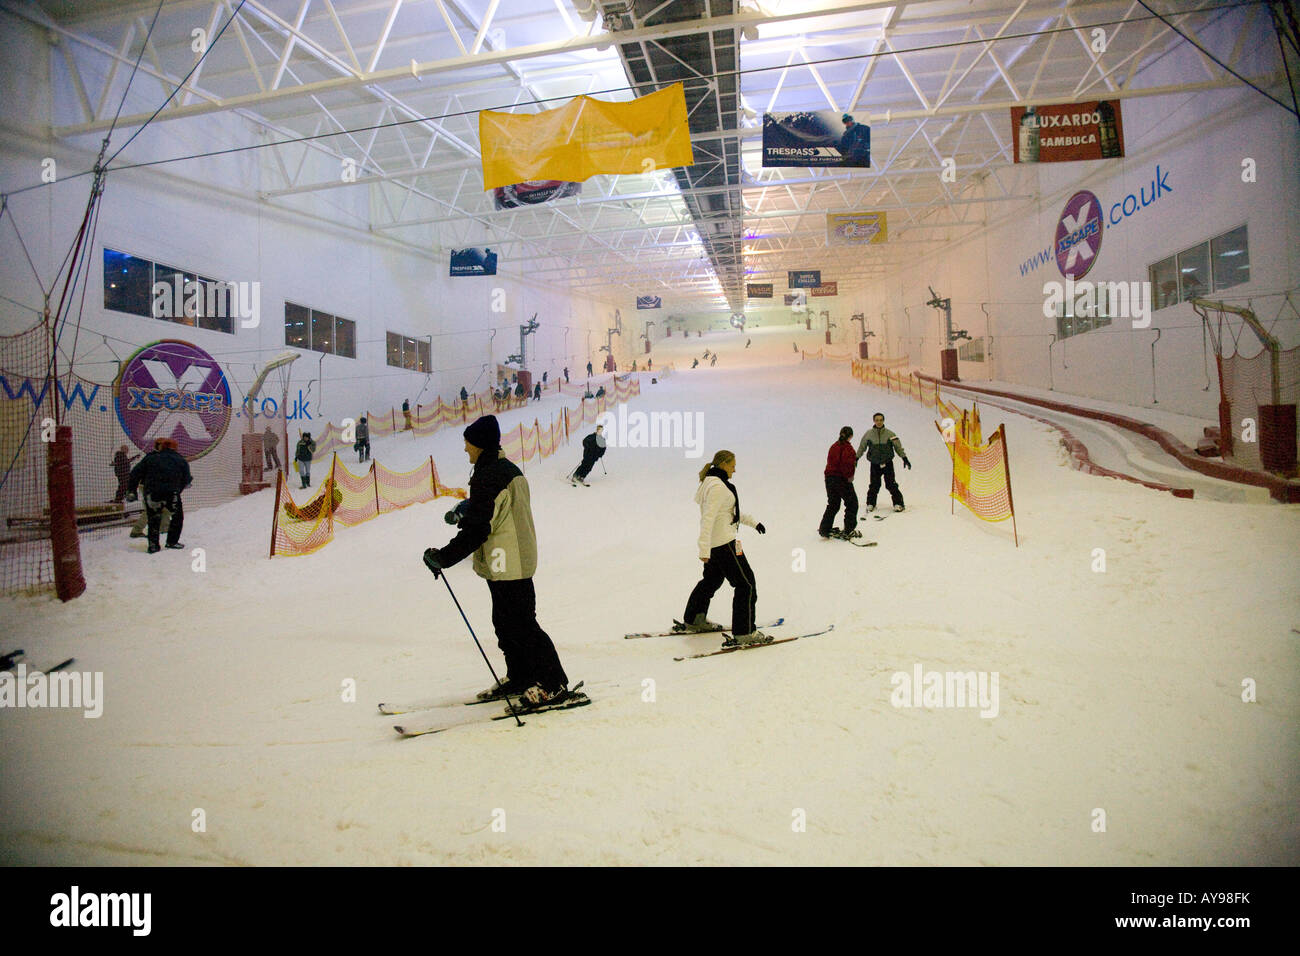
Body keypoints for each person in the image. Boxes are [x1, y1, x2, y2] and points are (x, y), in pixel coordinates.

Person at [423, 415, 573, 709]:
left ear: (479, 444)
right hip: (506, 560)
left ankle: (554, 684)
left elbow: (479, 528)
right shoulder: (501, 470)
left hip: (510, 561)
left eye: (468, 443)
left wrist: (444, 557)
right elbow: (494, 511)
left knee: (522, 625)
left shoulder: (490, 475)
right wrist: (471, 507)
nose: (465, 448)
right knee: (505, 624)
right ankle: (521, 675)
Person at [676, 450, 770, 645]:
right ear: (724, 463)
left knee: (711, 581)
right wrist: (702, 549)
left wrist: (754, 523)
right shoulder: (718, 487)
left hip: (717, 544)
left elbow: (729, 512)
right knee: (746, 584)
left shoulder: (712, 483)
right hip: (725, 544)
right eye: (733, 465)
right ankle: (745, 633)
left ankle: (695, 618)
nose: (735, 469)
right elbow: (708, 518)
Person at [126, 436, 191, 554]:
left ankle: (153, 545)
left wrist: (132, 490)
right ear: (174, 448)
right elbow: (186, 479)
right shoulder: (179, 459)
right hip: (171, 493)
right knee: (177, 517)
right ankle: (172, 541)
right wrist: (177, 490)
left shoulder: (150, 458)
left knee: (153, 518)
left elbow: (135, 473)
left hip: (152, 492)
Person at [857, 412, 910, 512]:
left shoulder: (890, 434)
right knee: (874, 485)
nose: (879, 422)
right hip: (875, 464)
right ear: (874, 421)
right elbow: (862, 447)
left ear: (883, 421)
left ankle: (898, 503)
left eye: (881, 420)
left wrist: (904, 458)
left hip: (887, 463)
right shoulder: (868, 434)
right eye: (877, 420)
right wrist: (856, 458)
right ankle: (871, 503)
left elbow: (898, 447)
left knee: (891, 484)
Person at [819, 426, 860, 539]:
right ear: (851, 436)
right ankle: (849, 530)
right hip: (841, 479)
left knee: (833, 504)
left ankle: (824, 529)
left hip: (829, 478)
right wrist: (849, 478)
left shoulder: (834, 446)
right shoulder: (848, 449)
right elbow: (847, 466)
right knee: (852, 504)